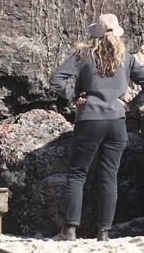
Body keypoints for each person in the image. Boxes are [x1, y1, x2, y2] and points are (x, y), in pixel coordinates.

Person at [49, 14, 144, 241]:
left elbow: (56, 79)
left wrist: (73, 96)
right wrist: (132, 105)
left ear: (95, 34)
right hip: (117, 122)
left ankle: (70, 230)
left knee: (77, 175)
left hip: (89, 120)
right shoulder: (128, 58)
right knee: (109, 177)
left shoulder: (83, 55)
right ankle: (104, 232)